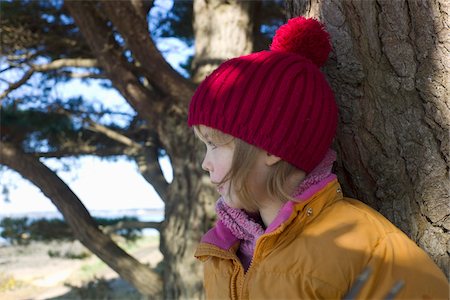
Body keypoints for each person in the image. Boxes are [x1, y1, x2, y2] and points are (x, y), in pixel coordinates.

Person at [187, 16, 449, 299]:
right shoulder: (223, 251)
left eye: (214, 145)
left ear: (271, 148)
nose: (205, 163)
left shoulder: (359, 244)